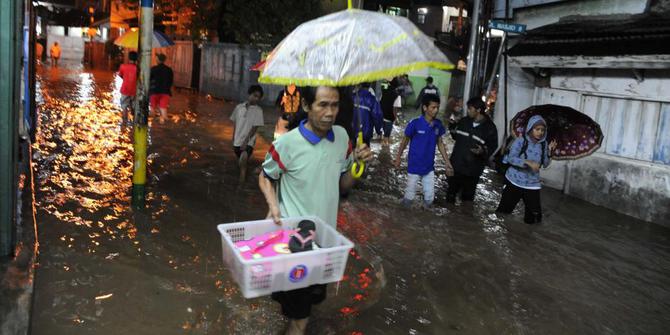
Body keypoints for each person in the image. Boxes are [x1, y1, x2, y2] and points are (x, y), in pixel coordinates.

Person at [258, 86, 372, 335]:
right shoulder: (287, 143)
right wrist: (273, 205)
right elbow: (265, 176)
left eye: (335, 105)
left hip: (324, 242)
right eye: (322, 105)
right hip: (294, 245)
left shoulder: (342, 137)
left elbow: (342, 186)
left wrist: (357, 167)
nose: (330, 112)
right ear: (307, 106)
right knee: (301, 318)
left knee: (308, 305)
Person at [394, 94, 453, 208]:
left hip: (429, 167)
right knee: (409, 199)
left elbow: (440, 143)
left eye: (437, 107)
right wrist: (398, 158)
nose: (436, 110)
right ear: (425, 108)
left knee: (429, 199)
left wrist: (447, 162)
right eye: (433, 107)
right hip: (414, 166)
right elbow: (404, 141)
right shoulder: (414, 123)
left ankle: (424, 218)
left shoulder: (438, 125)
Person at [496, 115, 557, 224]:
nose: (540, 132)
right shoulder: (520, 141)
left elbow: (545, 164)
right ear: (530, 128)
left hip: (532, 184)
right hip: (513, 181)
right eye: (537, 129)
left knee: (534, 219)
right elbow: (511, 158)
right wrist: (527, 162)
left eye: (543, 130)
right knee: (503, 213)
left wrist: (550, 152)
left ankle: (528, 238)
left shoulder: (544, 145)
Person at [446, 97, 498, 204]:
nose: (468, 111)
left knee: (467, 201)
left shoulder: (490, 128)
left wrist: (482, 151)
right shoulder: (464, 121)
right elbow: (456, 137)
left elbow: (492, 147)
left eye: (470, 108)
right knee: (450, 197)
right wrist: (451, 125)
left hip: (472, 171)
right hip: (457, 166)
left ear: (478, 110)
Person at [231, 85, 265, 184]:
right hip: (237, 142)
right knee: (241, 163)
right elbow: (235, 122)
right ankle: (244, 179)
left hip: (248, 142)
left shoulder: (258, 111)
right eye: (255, 95)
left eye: (258, 97)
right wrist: (233, 137)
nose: (256, 99)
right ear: (249, 94)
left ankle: (240, 186)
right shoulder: (239, 107)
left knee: (243, 164)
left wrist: (246, 141)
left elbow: (255, 128)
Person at [352, 82, 382, 147]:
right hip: (365, 132)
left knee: (352, 151)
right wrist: (378, 131)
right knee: (364, 153)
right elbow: (377, 116)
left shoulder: (353, 96)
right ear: (370, 85)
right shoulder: (372, 99)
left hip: (352, 131)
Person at [149, 53, 174, 124]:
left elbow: (149, 80)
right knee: (163, 110)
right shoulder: (169, 70)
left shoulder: (153, 69)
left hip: (154, 92)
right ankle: (165, 127)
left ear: (158, 60)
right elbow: (171, 81)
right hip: (165, 92)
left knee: (152, 110)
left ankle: (153, 126)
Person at [117, 51, 138, 125]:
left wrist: (125, 78)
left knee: (124, 106)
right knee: (134, 106)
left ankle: (124, 122)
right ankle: (134, 122)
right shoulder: (138, 68)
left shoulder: (123, 66)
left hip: (125, 89)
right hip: (135, 90)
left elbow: (120, 75)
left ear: (129, 58)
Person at [380, 78, 402, 146]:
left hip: (381, 113)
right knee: (387, 134)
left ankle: (382, 139)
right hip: (389, 116)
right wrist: (395, 118)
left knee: (383, 130)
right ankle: (385, 145)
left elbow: (380, 100)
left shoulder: (384, 90)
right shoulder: (397, 95)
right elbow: (395, 108)